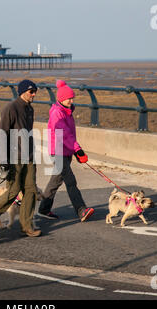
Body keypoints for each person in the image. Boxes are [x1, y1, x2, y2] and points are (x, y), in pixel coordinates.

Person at [0, 79, 41, 237]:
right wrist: (4, 161)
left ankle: (27, 225)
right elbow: (2, 135)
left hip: (29, 157)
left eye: (35, 91)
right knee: (14, 190)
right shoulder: (10, 108)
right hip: (14, 157)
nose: (34, 94)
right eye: (31, 91)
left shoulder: (30, 110)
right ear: (22, 92)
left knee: (30, 190)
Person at [37, 80, 94, 222]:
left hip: (66, 151)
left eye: (72, 97)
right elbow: (64, 134)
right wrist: (78, 149)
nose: (71, 100)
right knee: (70, 181)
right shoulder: (57, 113)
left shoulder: (67, 111)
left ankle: (43, 209)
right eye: (68, 98)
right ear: (61, 99)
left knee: (55, 181)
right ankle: (81, 210)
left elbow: (69, 134)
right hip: (58, 152)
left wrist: (74, 150)